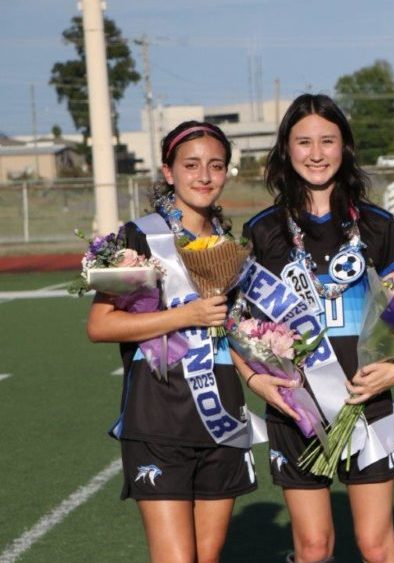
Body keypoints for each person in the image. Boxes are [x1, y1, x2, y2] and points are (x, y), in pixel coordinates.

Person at [239, 93, 394, 563]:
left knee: (376, 544)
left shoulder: (377, 224)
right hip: (295, 407)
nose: (316, 153)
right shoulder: (262, 231)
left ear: (345, 147)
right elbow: (238, 325)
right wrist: (255, 379)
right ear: (286, 150)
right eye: (304, 141)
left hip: (365, 398)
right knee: (314, 547)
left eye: (328, 140)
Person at [87, 121, 256, 563]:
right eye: (191, 165)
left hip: (220, 414)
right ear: (168, 171)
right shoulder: (139, 237)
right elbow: (101, 325)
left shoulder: (230, 244)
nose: (204, 176)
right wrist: (186, 315)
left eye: (215, 166)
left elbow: (234, 335)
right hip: (158, 415)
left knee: (207, 555)